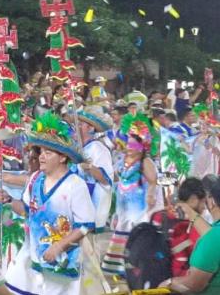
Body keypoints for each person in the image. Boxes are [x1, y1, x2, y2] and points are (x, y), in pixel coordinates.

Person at [0, 111, 96, 295]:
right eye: (41, 152)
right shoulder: (35, 179)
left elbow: (85, 227)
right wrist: (9, 200)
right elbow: (27, 211)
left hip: (61, 266)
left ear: (62, 157)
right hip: (33, 259)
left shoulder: (75, 185)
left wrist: (59, 246)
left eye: (48, 153)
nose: (41, 157)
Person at [102, 112, 159, 276]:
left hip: (138, 207)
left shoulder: (145, 162)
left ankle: (133, 268)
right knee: (121, 231)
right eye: (129, 144)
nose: (129, 148)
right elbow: (117, 177)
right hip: (124, 206)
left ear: (143, 147)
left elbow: (153, 181)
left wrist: (150, 195)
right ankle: (120, 268)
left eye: (133, 145)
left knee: (134, 235)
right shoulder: (123, 160)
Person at [159, 180, 220, 294]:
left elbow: (193, 285)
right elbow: (210, 234)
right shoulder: (213, 234)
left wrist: (168, 283)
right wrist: (189, 210)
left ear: (211, 202)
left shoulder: (213, 238)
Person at [77, 106, 114, 234]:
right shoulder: (78, 148)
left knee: (89, 248)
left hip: (92, 204)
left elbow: (106, 180)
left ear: (91, 128)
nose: (77, 127)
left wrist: (89, 167)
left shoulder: (98, 148)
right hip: (78, 203)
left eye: (81, 124)